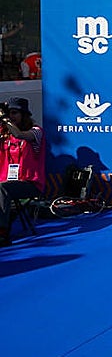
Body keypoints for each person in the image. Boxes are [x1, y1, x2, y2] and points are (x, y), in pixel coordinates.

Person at [0, 97, 45, 246]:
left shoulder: (36, 132)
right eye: (9, 113)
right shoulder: (4, 133)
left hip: (30, 183)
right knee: (3, 187)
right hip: (7, 181)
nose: (11, 116)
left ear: (24, 114)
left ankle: (2, 233)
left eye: (14, 113)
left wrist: (5, 119)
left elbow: (19, 135)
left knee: (3, 188)